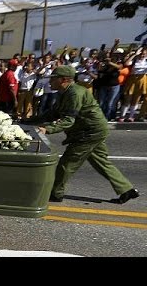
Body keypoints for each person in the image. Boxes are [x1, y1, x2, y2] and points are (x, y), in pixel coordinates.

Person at [26, 65, 139, 204]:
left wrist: (47, 129)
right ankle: (127, 190)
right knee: (101, 162)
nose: (50, 82)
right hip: (92, 129)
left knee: (67, 163)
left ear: (63, 79)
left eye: (53, 79)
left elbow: (68, 119)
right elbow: (52, 113)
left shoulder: (75, 93)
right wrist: (27, 122)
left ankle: (56, 193)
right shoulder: (65, 92)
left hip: (89, 132)